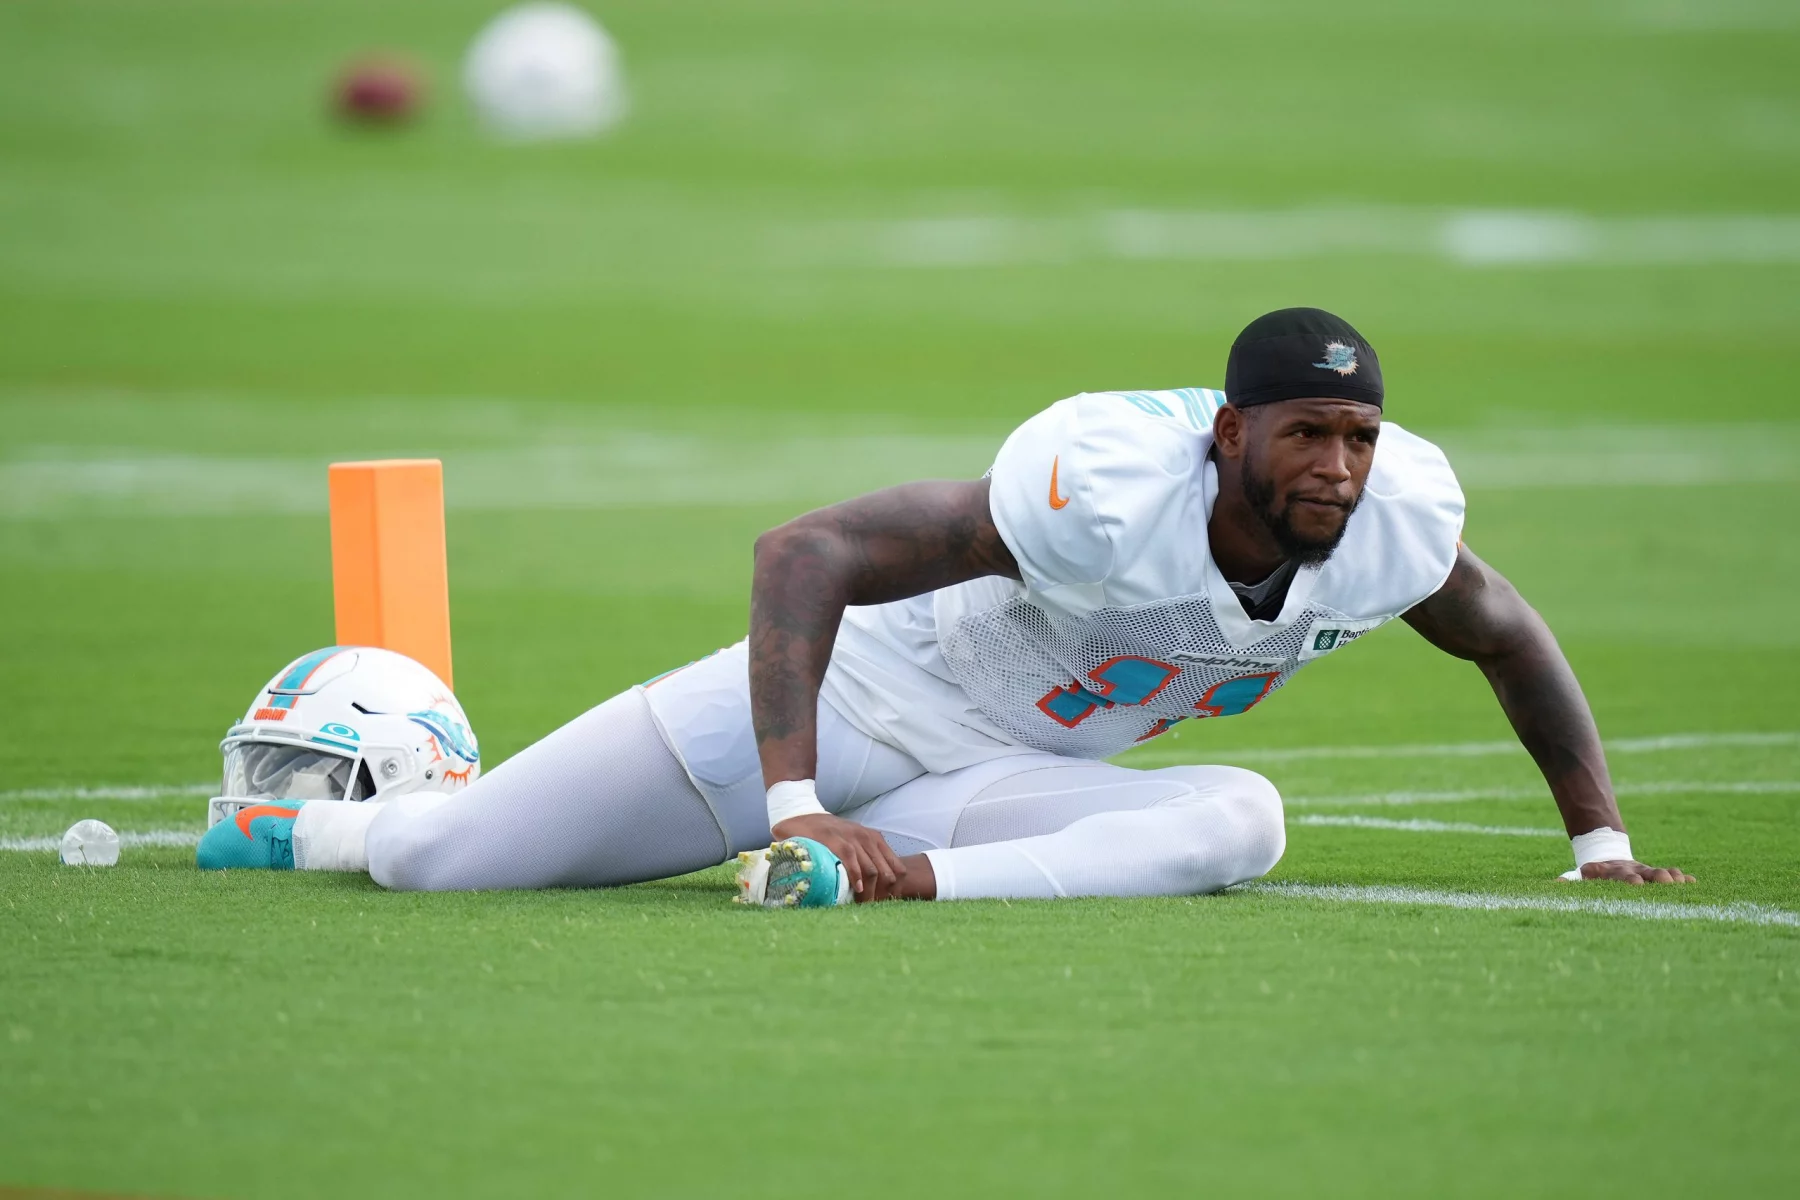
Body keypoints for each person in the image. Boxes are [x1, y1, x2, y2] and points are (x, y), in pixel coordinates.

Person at [252, 307, 1692, 902]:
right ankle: (304, 807)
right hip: (866, 705)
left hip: (1002, 785)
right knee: (442, 862)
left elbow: (1509, 640)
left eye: (1359, 437)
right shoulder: (1105, 491)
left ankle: (896, 890)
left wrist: (1601, 843)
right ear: (1228, 434)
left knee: (1241, 820)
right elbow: (801, 550)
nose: (1336, 465)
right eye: (1307, 432)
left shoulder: (1389, 531)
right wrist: (799, 798)